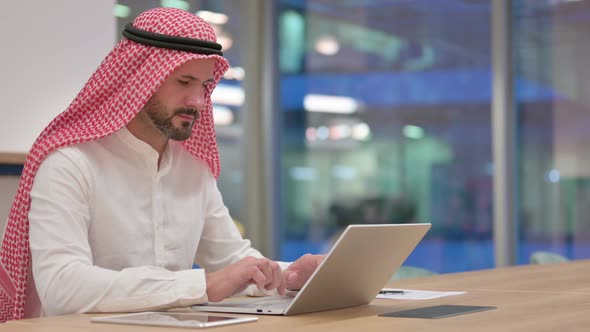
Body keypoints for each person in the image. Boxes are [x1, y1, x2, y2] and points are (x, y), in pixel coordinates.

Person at [0, 7, 323, 321]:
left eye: (205, 86)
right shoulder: (71, 165)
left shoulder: (192, 168)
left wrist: (290, 276)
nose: (199, 101)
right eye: (184, 82)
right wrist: (205, 284)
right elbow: (63, 289)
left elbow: (233, 260)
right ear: (138, 78)